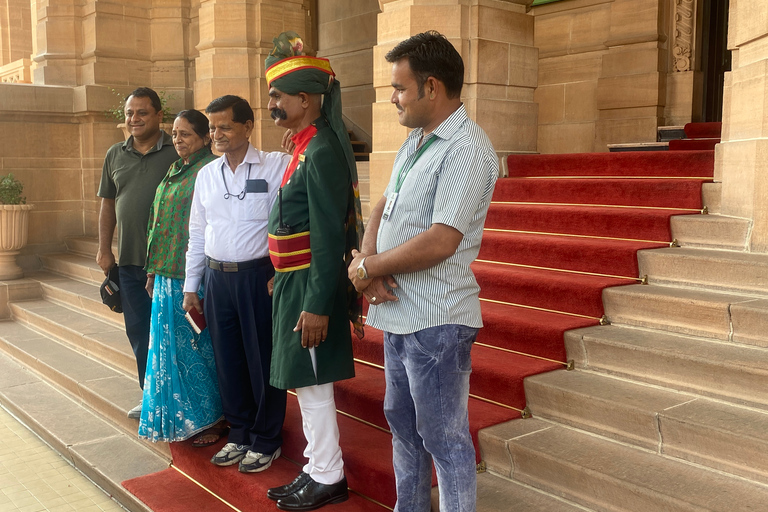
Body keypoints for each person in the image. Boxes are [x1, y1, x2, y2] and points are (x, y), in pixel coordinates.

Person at [348, 31, 499, 512]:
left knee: (444, 438)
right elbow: (382, 207)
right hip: (398, 314)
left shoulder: (468, 149)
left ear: (431, 87)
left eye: (399, 87)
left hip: (437, 320)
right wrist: (366, 264)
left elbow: (442, 239)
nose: (393, 98)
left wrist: (367, 267)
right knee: (403, 424)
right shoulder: (416, 140)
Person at [263, 32, 364, 512]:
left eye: (277, 96)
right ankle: (315, 465)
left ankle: (329, 474)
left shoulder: (320, 150)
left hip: (310, 283)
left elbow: (327, 236)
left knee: (315, 381)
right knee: (304, 380)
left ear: (305, 99)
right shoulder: (304, 143)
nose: (271, 104)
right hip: (293, 278)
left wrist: (318, 304)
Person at [183, 95, 290, 473]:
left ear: (248, 126)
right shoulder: (207, 175)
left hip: (258, 278)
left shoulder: (277, 166)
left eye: (225, 126)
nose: (217, 134)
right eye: (212, 128)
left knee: (262, 360)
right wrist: (191, 285)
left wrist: (286, 270)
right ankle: (240, 432)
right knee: (228, 361)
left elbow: (297, 217)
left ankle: (266, 438)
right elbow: (198, 231)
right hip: (216, 279)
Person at [138, 109, 226, 446]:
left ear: (205, 137)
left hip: (194, 276)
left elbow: (208, 227)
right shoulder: (177, 169)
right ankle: (183, 417)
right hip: (166, 274)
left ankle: (213, 418)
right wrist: (153, 269)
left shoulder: (209, 169)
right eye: (174, 134)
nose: (178, 140)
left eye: (186, 134)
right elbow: (158, 221)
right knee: (172, 350)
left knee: (198, 347)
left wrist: (193, 279)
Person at [97, 87, 179, 419]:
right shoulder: (115, 154)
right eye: (130, 113)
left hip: (169, 265)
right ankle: (150, 397)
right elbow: (107, 205)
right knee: (138, 331)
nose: (135, 119)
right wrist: (104, 249)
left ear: (159, 115)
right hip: (129, 262)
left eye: (142, 113)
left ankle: (177, 399)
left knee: (171, 332)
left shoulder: (177, 151)